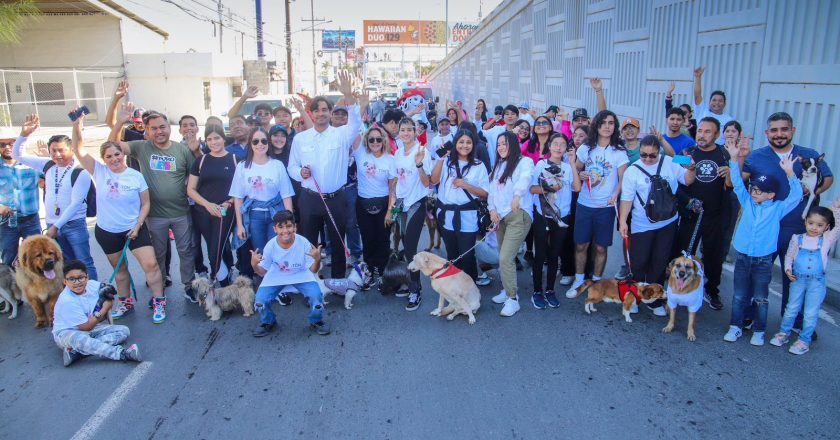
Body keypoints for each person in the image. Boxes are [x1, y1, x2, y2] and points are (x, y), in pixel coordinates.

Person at [742, 112, 833, 336]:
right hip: (766, 229)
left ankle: (795, 320)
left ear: (792, 131)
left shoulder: (808, 156)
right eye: (774, 130)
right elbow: (740, 181)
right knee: (758, 275)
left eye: (784, 129)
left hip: (800, 230)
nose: (779, 134)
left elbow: (828, 178)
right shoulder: (757, 157)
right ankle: (749, 315)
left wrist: (812, 191)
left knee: (795, 276)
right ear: (767, 133)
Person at [71, 116, 165, 322]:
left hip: (134, 230)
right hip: (107, 231)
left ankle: (159, 302)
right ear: (103, 159)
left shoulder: (135, 176)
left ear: (123, 154)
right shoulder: (100, 172)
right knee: (120, 270)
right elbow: (78, 150)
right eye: (109, 156)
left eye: (117, 154)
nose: (114, 159)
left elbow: (146, 204)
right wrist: (76, 126)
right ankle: (125, 301)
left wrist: (138, 225)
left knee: (151, 265)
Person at [109, 104, 200, 305]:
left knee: (186, 251)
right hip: (154, 214)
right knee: (158, 253)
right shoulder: (141, 147)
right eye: (154, 128)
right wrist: (119, 123)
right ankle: (159, 292)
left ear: (169, 127)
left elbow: (193, 179)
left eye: (162, 127)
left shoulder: (181, 150)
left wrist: (196, 151)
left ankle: (188, 286)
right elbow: (113, 146)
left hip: (181, 212)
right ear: (147, 131)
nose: (159, 131)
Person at [723, 135, 802, 346]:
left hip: (763, 259)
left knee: (761, 297)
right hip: (743, 255)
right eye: (753, 188)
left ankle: (759, 330)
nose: (753, 192)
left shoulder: (778, 208)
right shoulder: (746, 201)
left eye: (759, 190)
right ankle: (735, 326)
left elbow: (796, 195)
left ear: (771, 195)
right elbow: (738, 183)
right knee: (739, 295)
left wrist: (790, 173)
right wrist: (733, 159)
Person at [288, 71, 361, 279]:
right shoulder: (301, 139)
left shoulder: (342, 134)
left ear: (330, 113)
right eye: (316, 111)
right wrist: (300, 173)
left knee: (338, 242)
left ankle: (338, 280)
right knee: (309, 242)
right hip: (309, 199)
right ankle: (310, 279)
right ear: (310, 114)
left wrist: (348, 95)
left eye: (324, 110)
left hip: (336, 199)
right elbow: (291, 167)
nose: (320, 114)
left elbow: (355, 121)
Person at [14, 114, 97, 279]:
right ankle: (76, 295)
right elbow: (18, 156)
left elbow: (75, 204)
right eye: (53, 151)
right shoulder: (48, 165)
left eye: (62, 150)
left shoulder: (80, 171)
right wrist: (24, 135)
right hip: (53, 225)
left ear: (72, 149)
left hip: (73, 225)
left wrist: (56, 227)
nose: (57, 155)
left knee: (84, 262)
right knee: (66, 264)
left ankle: (95, 297)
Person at [619, 136, 695, 295]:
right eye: (643, 154)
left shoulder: (671, 161)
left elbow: (687, 181)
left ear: (659, 152)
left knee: (660, 262)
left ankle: (655, 297)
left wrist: (692, 169)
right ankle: (636, 295)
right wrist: (623, 222)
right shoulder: (632, 170)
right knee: (639, 262)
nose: (647, 158)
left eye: (652, 155)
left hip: (668, 223)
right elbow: (627, 199)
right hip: (642, 224)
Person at [567, 111, 629, 294]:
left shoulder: (619, 151)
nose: (607, 126)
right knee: (581, 244)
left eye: (611, 123)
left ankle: (596, 282)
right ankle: (578, 281)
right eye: (603, 123)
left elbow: (623, 179)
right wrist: (580, 173)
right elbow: (575, 170)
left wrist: (616, 194)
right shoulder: (586, 148)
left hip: (606, 207)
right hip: (585, 204)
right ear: (597, 126)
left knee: (601, 247)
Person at [673, 117, 732, 310]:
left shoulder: (725, 155)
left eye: (708, 132)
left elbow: (735, 186)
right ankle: (677, 289)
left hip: (715, 215)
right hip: (691, 214)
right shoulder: (686, 153)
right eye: (700, 131)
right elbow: (675, 182)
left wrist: (732, 173)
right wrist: (688, 202)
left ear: (716, 135)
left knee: (714, 256)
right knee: (683, 252)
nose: (702, 135)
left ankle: (711, 290)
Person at [771, 200, 840, 355]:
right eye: (811, 223)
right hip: (798, 280)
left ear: (827, 227)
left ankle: (804, 340)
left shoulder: (827, 240)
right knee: (791, 308)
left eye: (820, 225)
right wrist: (788, 269)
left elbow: (838, 227)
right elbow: (789, 256)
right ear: (806, 222)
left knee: (810, 312)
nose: (814, 228)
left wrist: (836, 208)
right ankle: (784, 333)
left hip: (816, 282)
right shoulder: (797, 238)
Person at [250, 211, 330, 337]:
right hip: (276, 276)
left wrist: (317, 259)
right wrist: (254, 264)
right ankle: (268, 321)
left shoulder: (303, 242)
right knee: (260, 300)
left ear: (295, 227)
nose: (285, 230)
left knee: (316, 296)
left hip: (301, 274)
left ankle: (316, 321)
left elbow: (313, 270)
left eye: (288, 226)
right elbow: (263, 272)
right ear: (275, 229)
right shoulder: (270, 246)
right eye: (280, 227)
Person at [231, 127, 295, 282]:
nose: (260, 144)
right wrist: (240, 225)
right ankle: (266, 283)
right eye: (255, 141)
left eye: (264, 140)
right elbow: (237, 198)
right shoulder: (242, 167)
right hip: (255, 215)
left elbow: (286, 195)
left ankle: (280, 283)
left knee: (279, 249)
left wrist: (290, 222)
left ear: (268, 143)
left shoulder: (277, 165)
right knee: (260, 252)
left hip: (276, 213)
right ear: (250, 144)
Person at [51, 260, 141, 367]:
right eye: (72, 279)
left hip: (90, 325)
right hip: (68, 333)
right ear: (65, 281)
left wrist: (108, 294)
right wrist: (104, 308)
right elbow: (86, 327)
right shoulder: (67, 300)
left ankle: (76, 352)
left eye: (81, 277)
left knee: (123, 331)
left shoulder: (92, 285)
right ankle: (122, 353)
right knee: (81, 339)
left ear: (87, 277)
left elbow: (109, 293)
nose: (77, 282)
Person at [430, 128, 489, 282]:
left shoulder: (478, 165)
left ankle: (471, 289)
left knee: (468, 255)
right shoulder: (446, 162)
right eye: (461, 142)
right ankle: (455, 289)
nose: (464, 145)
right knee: (452, 255)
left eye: (468, 142)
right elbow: (434, 180)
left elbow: (485, 193)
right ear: (455, 144)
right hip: (446, 216)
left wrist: (466, 185)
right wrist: (440, 158)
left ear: (473, 145)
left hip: (468, 216)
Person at [530, 133, 580, 309]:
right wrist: (549, 188)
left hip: (562, 216)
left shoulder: (567, 167)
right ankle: (537, 291)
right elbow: (532, 188)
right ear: (549, 146)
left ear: (567, 148)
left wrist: (573, 163)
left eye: (562, 144)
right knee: (541, 254)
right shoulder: (540, 165)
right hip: (542, 214)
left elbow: (577, 187)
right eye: (555, 143)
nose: (559, 147)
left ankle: (550, 290)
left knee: (554, 255)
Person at [488, 131, 534, 317]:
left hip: (518, 215)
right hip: (501, 217)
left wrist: (517, 195)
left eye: (504, 143)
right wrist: (492, 210)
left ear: (514, 144)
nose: (500, 147)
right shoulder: (498, 165)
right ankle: (507, 290)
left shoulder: (524, 162)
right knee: (504, 257)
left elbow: (525, 179)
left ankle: (512, 299)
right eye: (498, 144)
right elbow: (492, 192)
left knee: (505, 258)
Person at [187, 124, 237, 286]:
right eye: (209, 139)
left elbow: (241, 189)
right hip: (202, 211)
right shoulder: (201, 161)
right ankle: (223, 280)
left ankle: (224, 285)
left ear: (224, 139)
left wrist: (229, 202)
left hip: (225, 211)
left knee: (217, 249)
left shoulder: (235, 159)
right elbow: (191, 189)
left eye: (217, 138)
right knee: (211, 249)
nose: (213, 142)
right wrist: (207, 205)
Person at [392, 117, 432, 311]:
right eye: (403, 129)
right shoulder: (398, 153)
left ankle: (416, 289)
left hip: (417, 203)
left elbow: (427, 183)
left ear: (415, 132)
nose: (406, 133)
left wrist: (419, 165)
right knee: (402, 245)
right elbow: (396, 181)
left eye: (410, 129)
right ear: (399, 132)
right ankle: (409, 282)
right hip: (401, 205)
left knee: (410, 248)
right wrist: (393, 205)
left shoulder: (422, 152)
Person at [352, 126, 396, 280]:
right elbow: (353, 128)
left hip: (384, 203)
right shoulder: (360, 154)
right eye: (371, 139)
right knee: (367, 238)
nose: (375, 142)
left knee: (383, 239)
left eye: (378, 139)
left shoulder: (391, 160)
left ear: (384, 140)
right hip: (363, 203)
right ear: (367, 141)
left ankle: (382, 270)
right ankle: (369, 270)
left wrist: (391, 211)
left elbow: (393, 189)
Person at [0, 137, 40, 266]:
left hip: (31, 220)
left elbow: (49, 179)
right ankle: (11, 286)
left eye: (11, 144)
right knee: (8, 258)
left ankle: (35, 285)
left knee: (36, 258)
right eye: (2, 144)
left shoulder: (32, 163)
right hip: (6, 222)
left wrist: (46, 159)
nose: (7, 147)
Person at [693, 67, 735, 144]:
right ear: (709, 102)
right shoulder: (702, 111)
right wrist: (698, 77)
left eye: (720, 101)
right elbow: (697, 95)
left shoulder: (730, 120)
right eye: (714, 100)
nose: (717, 103)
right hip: (700, 149)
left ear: (725, 104)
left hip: (719, 153)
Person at [482, 104, 519, 169]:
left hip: (515, 167)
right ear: (503, 117)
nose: (510, 116)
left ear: (517, 117)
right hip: (497, 167)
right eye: (507, 114)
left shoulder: (522, 132)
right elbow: (481, 132)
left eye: (513, 114)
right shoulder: (496, 130)